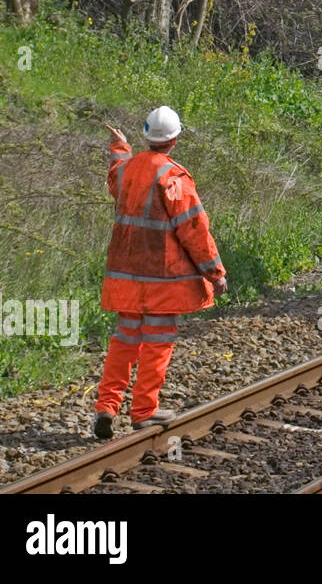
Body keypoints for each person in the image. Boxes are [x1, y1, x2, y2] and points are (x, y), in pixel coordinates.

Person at [93, 106, 227, 439]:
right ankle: (143, 411)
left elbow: (116, 176)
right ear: (175, 139)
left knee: (124, 341)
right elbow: (194, 229)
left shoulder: (129, 170)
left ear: (146, 136)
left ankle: (107, 407)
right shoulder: (173, 177)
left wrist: (119, 147)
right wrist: (215, 272)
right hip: (162, 283)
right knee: (156, 344)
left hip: (125, 280)